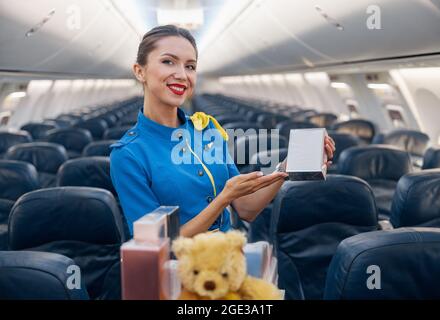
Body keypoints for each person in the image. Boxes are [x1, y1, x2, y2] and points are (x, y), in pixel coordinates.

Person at [110, 25, 335, 238]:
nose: (182, 75)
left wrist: (288, 166)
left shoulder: (207, 130)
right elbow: (158, 244)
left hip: (229, 262)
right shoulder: (128, 154)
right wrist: (223, 199)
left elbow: (246, 208)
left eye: (190, 66)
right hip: (178, 272)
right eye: (168, 62)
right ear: (140, 71)